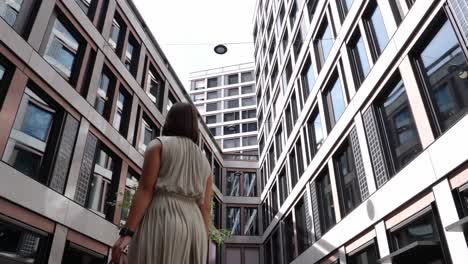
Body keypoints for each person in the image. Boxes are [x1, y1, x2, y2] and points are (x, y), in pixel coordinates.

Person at [110, 103, 212, 264]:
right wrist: (203, 242)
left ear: (170, 120)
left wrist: (126, 233)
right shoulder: (205, 162)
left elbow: (145, 190)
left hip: (163, 217)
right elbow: (205, 208)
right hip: (195, 227)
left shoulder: (158, 145)